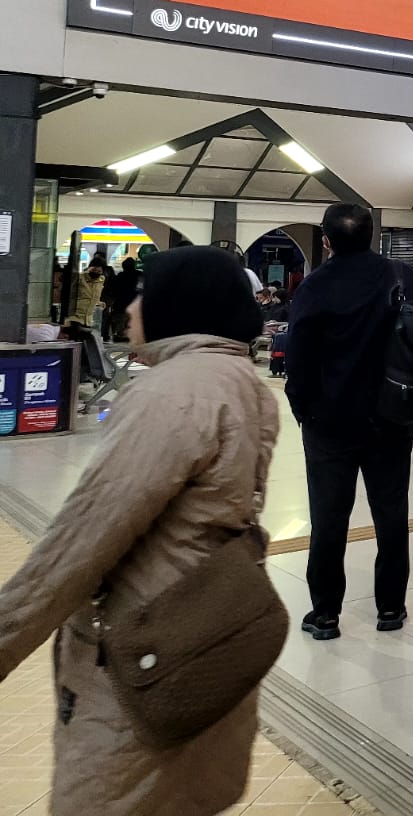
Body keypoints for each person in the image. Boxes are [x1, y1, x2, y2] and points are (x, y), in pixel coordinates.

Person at [0, 246, 276, 815]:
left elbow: (83, 542)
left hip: (141, 660)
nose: (130, 307)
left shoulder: (171, 394)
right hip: (205, 640)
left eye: (148, 293)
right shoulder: (241, 380)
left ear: (181, 305)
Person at [287, 203, 413, 640]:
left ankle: (326, 614)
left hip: (330, 422)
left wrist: (304, 411)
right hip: (393, 417)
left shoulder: (315, 286)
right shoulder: (406, 278)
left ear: (326, 240)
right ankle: (391, 608)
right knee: (391, 513)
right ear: (372, 234)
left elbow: (298, 359)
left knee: (329, 518)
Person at [65, 252, 109, 331]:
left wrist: (99, 303)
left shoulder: (101, 280)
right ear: (89, 268)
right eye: (94, 270)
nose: (96, 273)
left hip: (88, 320)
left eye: (99, 272)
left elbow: (94, 297)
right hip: (74, 318)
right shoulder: (80, 278)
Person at [102, 256, 142, 341]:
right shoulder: (139, 275)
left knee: (120, 324)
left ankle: (120, 335)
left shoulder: (120, 276)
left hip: (120, 305)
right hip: (135, 304)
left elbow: (114, 290)